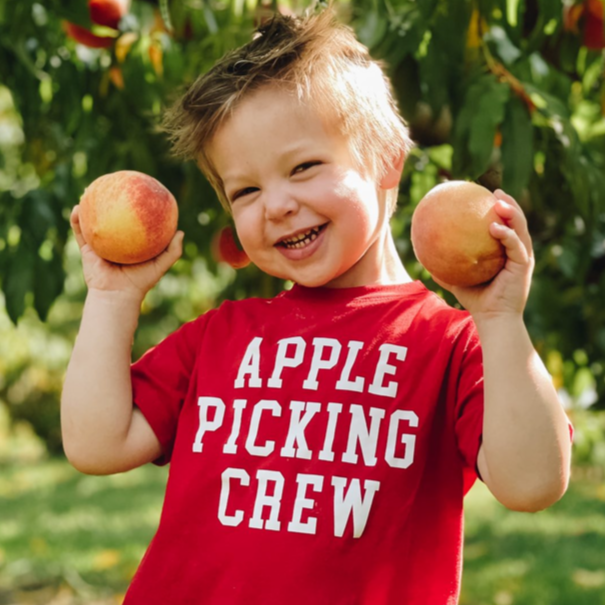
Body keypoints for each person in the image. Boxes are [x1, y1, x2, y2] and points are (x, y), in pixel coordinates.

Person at [61, 7, 572, 605]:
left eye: (303, 167)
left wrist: (500, 321)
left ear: (386, 161)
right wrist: (113, 296)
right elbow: (97, 444)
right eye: (245, 190)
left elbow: (533, 483)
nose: (274, 205)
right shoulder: (224, 335)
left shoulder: (449, 343)